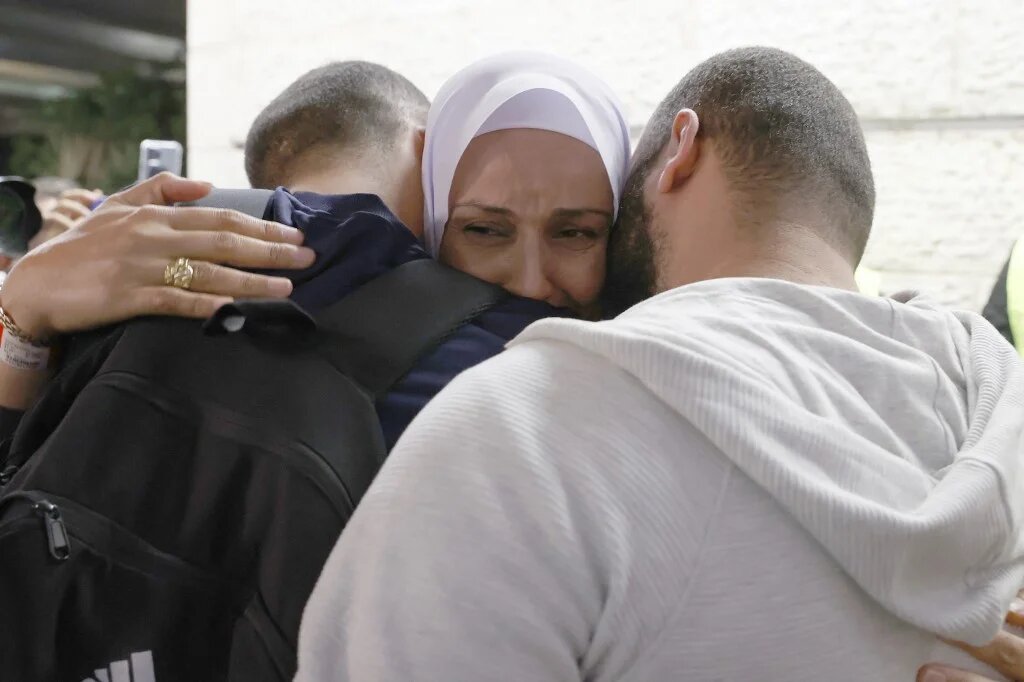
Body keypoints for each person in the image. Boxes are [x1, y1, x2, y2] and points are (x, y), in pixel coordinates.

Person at [294, 47, 1024, 681]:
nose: (529, 279)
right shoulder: (993, 407)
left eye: (582, 230)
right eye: (484, 228)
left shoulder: (520, 435)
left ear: (678, 150)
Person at [0, 55, 628, 453]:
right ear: (431, 155)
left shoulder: (160, 253)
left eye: (575, 232)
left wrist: (23, 313)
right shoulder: (559, 356)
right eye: (485, 228)